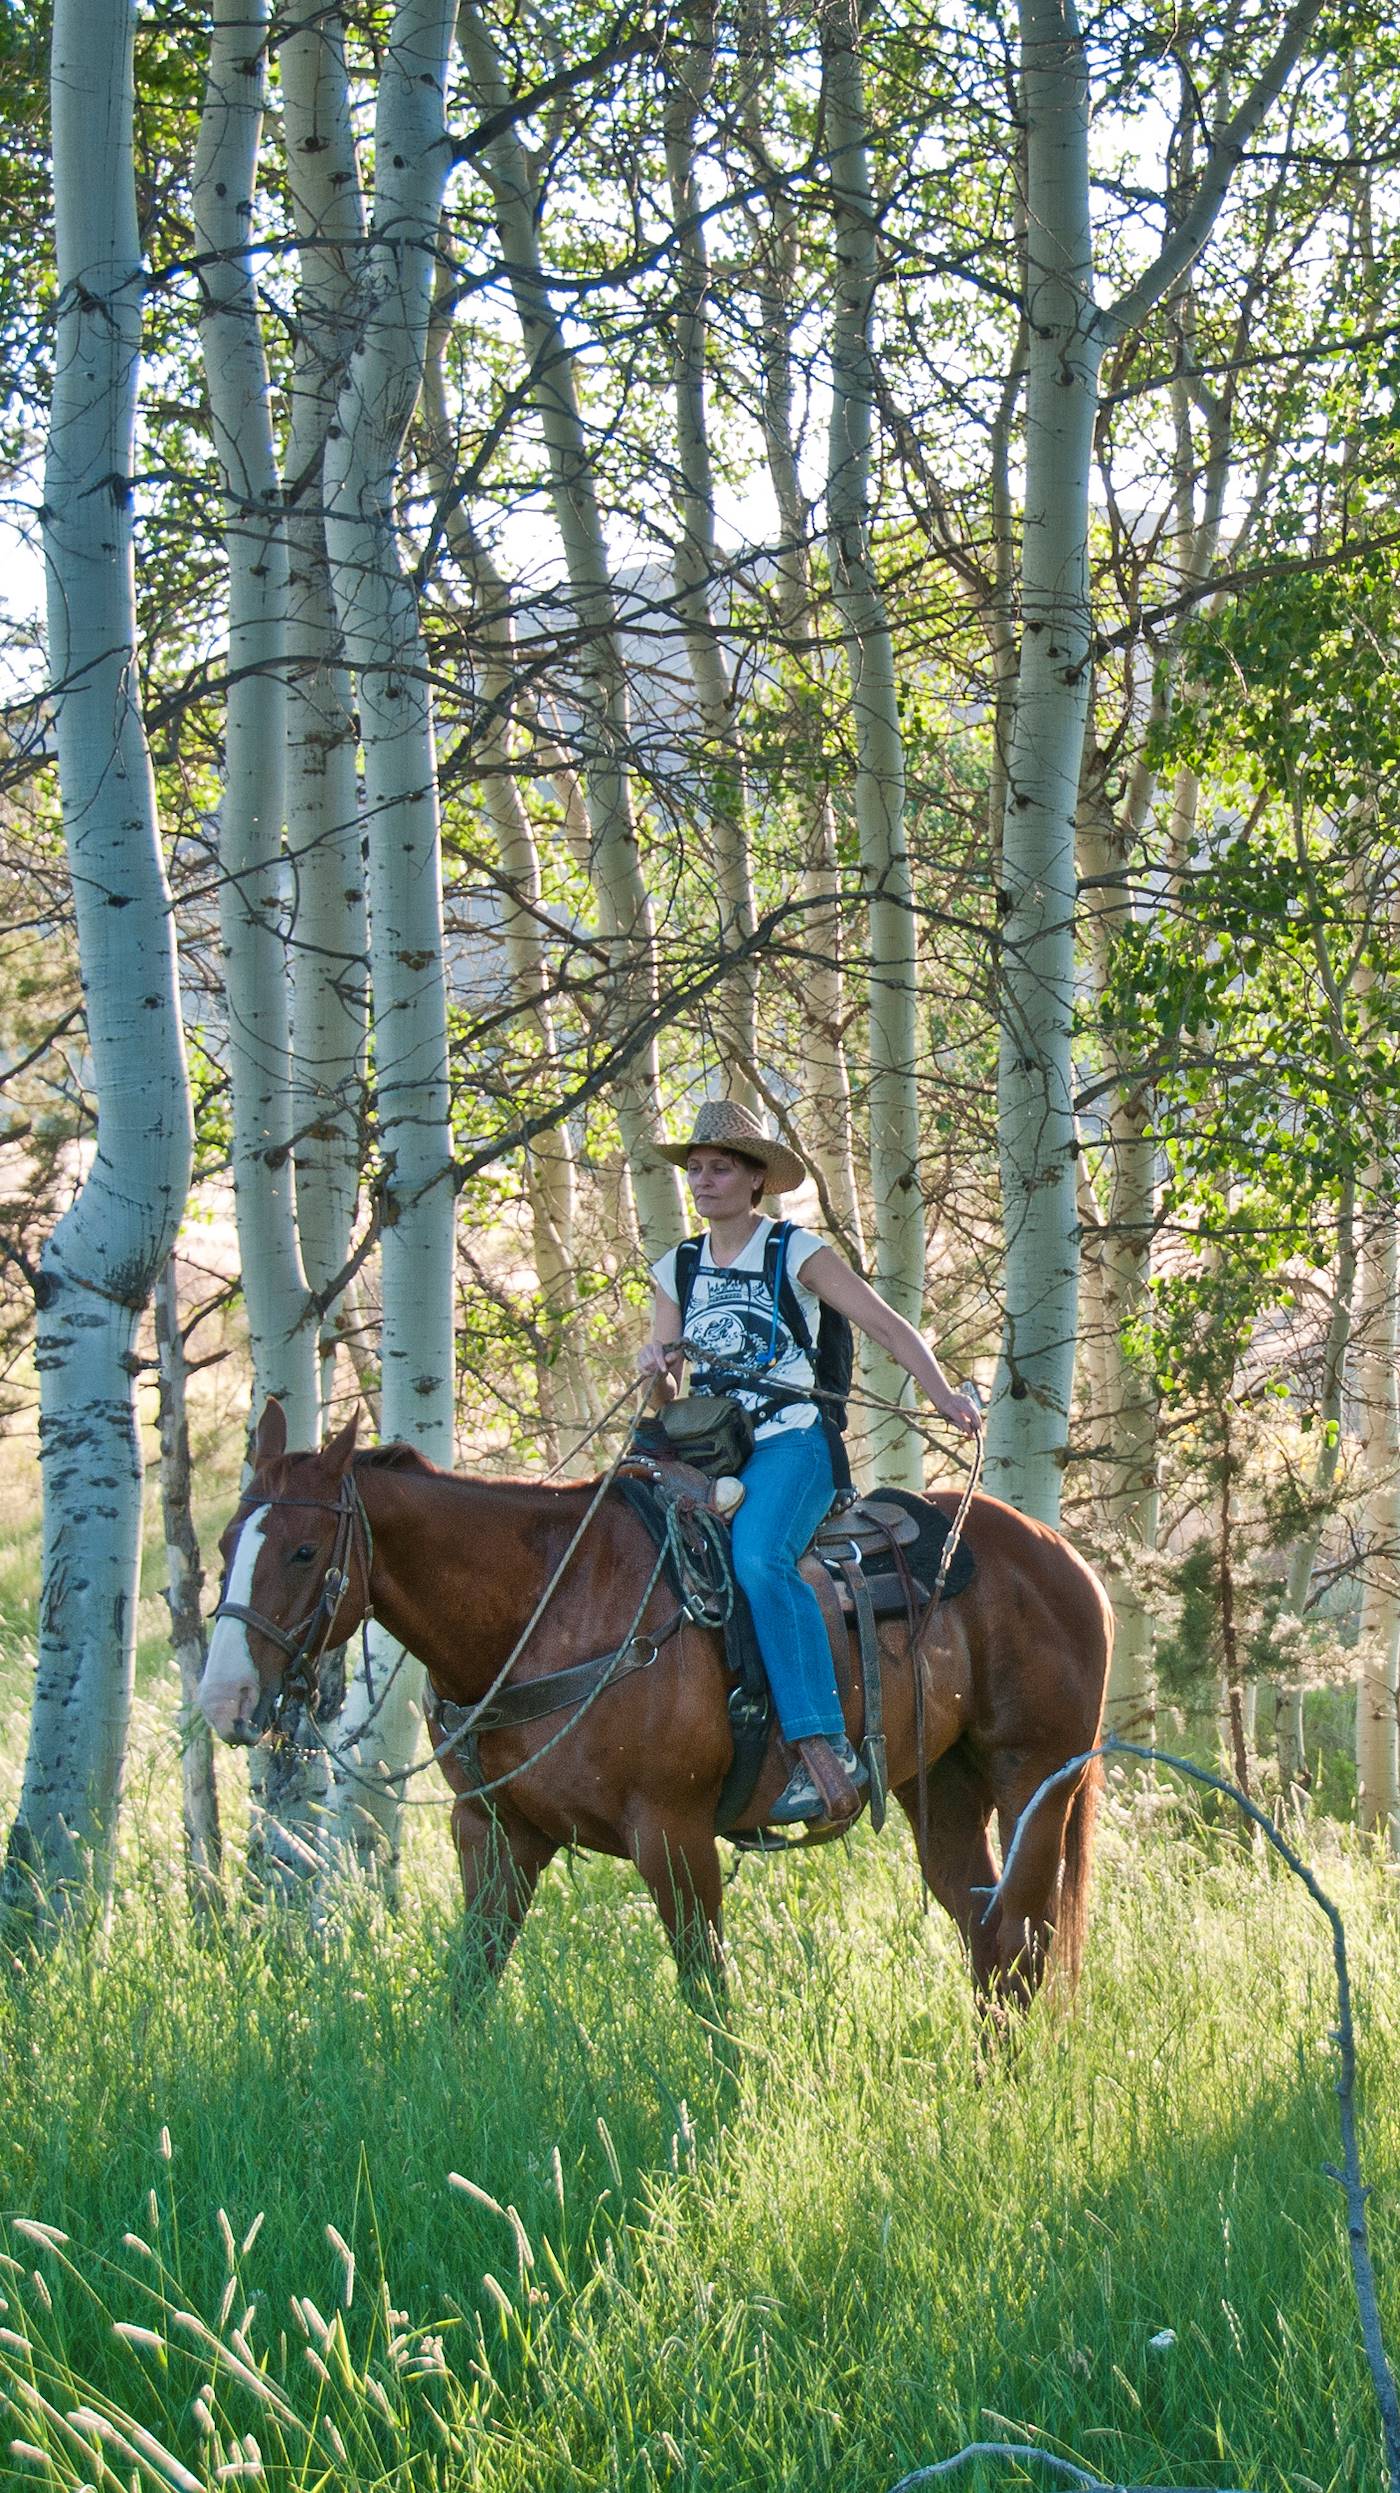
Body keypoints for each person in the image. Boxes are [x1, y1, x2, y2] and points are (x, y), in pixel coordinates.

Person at [639, 1099, 981, 1827]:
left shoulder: (792, 1251)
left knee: (762, 1558)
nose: (702, 1181)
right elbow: (668, 1394)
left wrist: (942, 1391)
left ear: (755, 1178)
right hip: (708, 1449)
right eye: (695, 1168)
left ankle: (823, 1746)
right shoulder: (678, 1267)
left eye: (719, 1167)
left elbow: (884, 1322)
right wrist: (654, 1368)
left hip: (793, 1442)